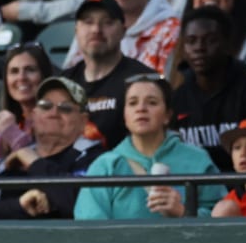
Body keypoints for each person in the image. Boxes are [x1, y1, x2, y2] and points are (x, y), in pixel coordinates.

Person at [74, 72, 218, 219]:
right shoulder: (105, 166)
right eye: (132, 103)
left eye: (152, 102)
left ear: (167, 115)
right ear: (124, 116)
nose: (141, 108)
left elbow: (221, 219)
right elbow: (90, 229)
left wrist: (182, 212)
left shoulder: (197, 159)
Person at [0, 72, 99, 220]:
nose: (53, 112)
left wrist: (34, 163)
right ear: (34, 115)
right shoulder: (4, 165)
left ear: (83, 121)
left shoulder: (96, 159)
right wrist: (19, 206)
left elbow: (82, 205)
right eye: (45, 105)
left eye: (66, 108)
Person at [171, 6, 246, 169]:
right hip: (192, 190)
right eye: (191, 41)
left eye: (210, 40)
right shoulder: (177, 98)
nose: (199, 48)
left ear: (228, 43)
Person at [61, 0, 153, 148]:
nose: (96, 29)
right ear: (76, 30)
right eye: (88, 22)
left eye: (107, 22)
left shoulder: (143, 81)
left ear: (123, 31)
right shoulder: (63, 84)